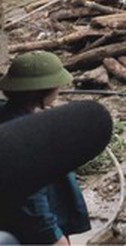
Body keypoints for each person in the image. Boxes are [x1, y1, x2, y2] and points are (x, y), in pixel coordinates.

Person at [0, 51, 91, 244]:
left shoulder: (8, 117)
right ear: (42, 91)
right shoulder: (28, 137)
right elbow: (31, 196)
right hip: (34, 232)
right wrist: (54, 236)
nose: (60, 89)